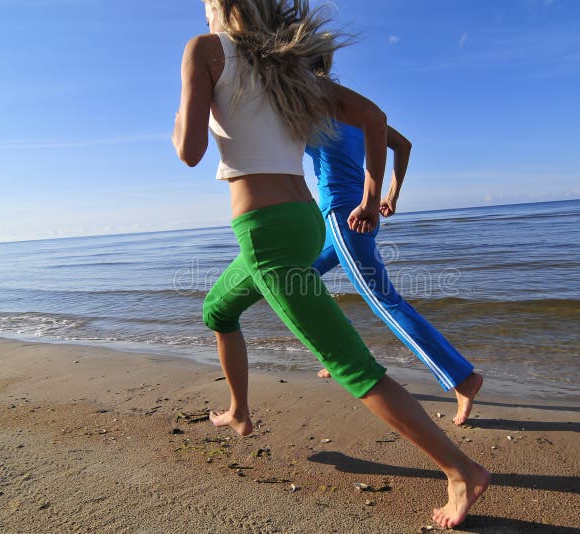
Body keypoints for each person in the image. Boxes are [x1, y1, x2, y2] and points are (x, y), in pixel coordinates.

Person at [171, 1, 489, 528]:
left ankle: (461, 472)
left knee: (352, 365)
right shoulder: (288, 68)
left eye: (206, 6)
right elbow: (377, 119)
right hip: (304, 221)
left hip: (266, 233)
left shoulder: (205, 50)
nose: (203, 16)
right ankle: (240, 414)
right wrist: (374, 190)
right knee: (218, 311)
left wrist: (182, 115)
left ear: (223, 8)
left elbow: (189, 151)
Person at [305, 53, 483, 426]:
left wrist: (376, 200)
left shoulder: (314, 103)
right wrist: (391, 197)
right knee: (299, 278)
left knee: (385, 302)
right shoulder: (353, 108)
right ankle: (340, 355)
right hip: (357, 215)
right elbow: (404, 146)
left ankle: (462, 378)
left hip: (345, 216)